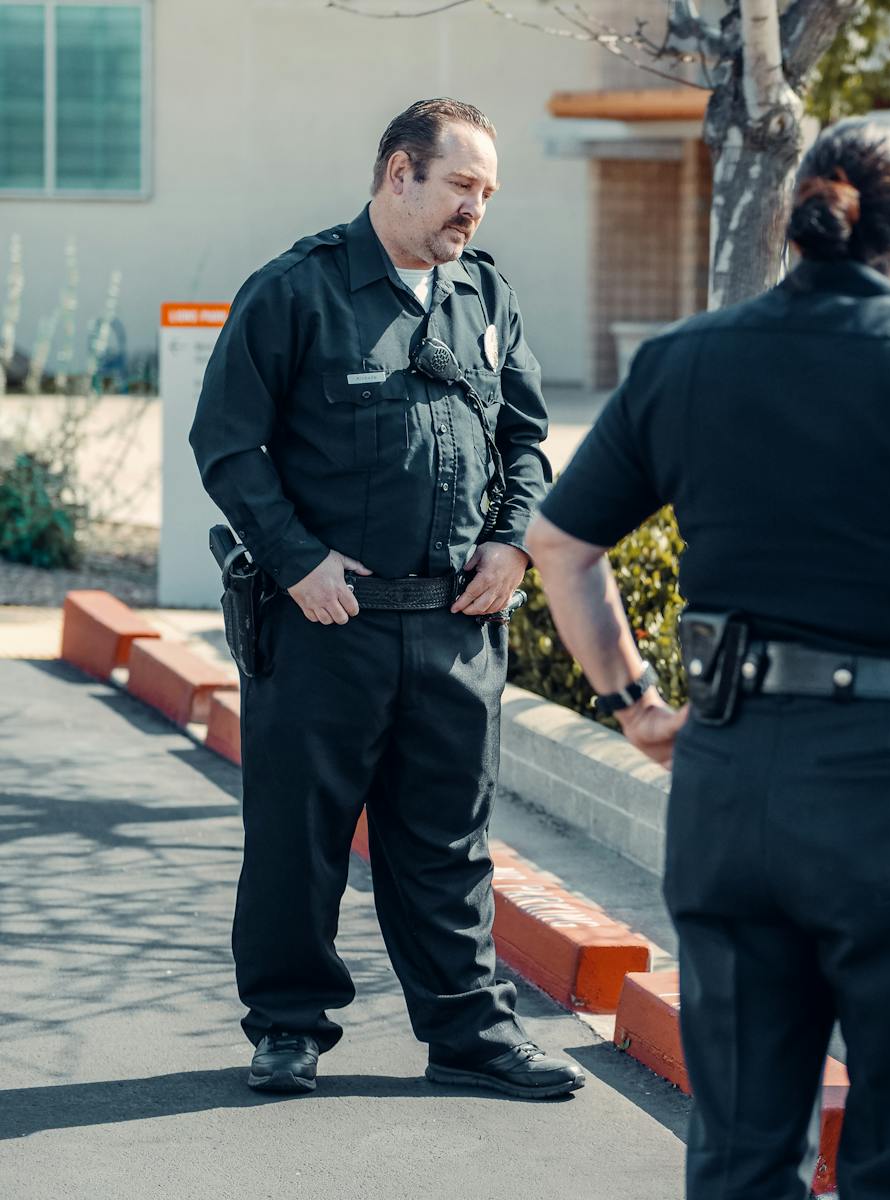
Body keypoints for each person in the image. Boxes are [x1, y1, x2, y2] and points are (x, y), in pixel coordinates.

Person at [525, 118, 890, 1200]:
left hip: (735, 780)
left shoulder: (686, 360)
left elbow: (561, 546)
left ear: (797, 225)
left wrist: (635, 703)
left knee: (745, 1152)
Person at [190, 98, 583, 1099]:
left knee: (449, 842)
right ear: (399, 172)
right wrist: (296, 562)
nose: (475, 210)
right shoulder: (298, 291)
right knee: (297, 840)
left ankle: (468, 1036)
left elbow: (528, 443)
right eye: (461, 186)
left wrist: (511, 547)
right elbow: (228, 444)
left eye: (487, 193)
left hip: (456, 627)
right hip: (330, 627)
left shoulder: (485, 299)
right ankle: (286, 1027)